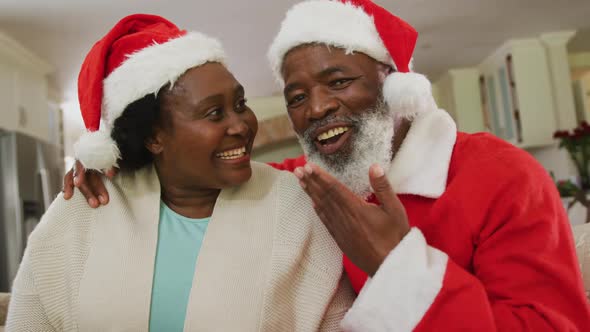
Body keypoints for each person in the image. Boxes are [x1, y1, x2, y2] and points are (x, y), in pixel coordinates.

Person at [64, 0, 590, 331]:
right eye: (296, 96)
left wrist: (399, 267)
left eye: (338, 81)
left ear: (391, 82)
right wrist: (121, 171)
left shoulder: (505, 176)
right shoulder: (300, 182)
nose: (315, 108)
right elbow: (195, 174)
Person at [6, 14, 354, 331]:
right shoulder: (88, 207)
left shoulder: (294, 205)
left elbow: (336, 321)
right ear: (155, 137)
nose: (242, 125)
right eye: (214, 113)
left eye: (239, 104)